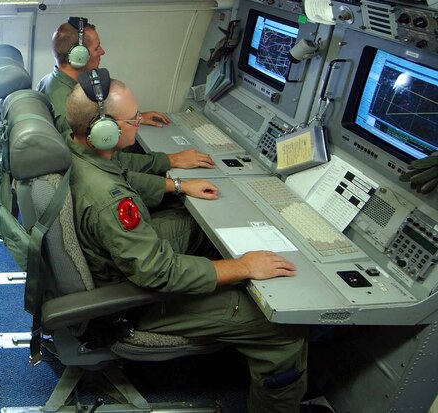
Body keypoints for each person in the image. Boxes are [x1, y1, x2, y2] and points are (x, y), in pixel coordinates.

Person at [65, 79, 309, 413]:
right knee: (282, 333)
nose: (139, 122)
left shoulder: (80, 151)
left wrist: (178, 184)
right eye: (133, 119)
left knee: (197, 227)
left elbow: (122, 173)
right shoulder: (110, 200)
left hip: (120, 264)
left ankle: (223, 304)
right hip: (132, 304)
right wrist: (244, 267)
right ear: (105, 130)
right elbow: (158, 272)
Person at [37, 19, 215, 205]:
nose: (103, 52)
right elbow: (108, 166)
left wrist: (132, 117)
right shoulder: (65, 105)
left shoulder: (51, 82)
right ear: (79, 56)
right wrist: (171, 162)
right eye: (97, 48)